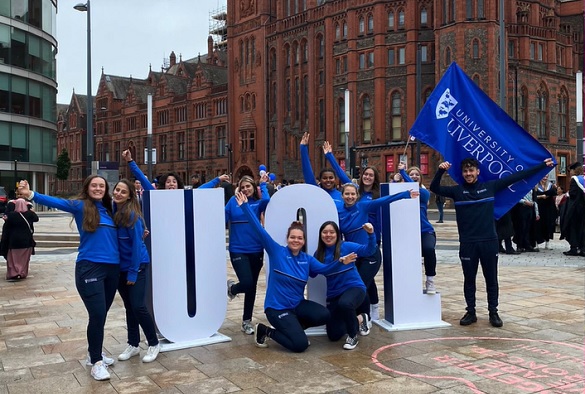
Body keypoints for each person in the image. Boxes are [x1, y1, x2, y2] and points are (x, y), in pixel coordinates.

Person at [430, 157, 554, 328]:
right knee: (469, 279)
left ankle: (493, 312)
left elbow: (517, 176)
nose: (468, 174)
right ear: (462, 173)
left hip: (489, 241)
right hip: (468, 243)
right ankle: (471, 312)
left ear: (478, 171)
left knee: (491, 278)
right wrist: (440, 170)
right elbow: (434, 188)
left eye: (471, 170)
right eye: (465, 171)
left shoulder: (490, 187)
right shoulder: (457, 192)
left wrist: (541, 165)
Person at [18, 176, 120, 381]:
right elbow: (57, 202)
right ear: (87, 188)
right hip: (90, 268)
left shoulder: (110, 209)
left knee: (102, 314)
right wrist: (31, 194)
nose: (98, 188)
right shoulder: (81, 206)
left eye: (102, 186)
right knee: (97, 314)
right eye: (94, 185)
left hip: (113, 269)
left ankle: (94, 354)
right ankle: (96, 363)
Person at [236, 192, 332, 353]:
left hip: (297, 306)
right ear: (287, 238)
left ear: (304, 241)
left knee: (324, 315)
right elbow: (260, 231)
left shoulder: (307, 259)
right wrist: (245, 207)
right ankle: (265, 331)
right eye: (293, 237)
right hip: (276, 309)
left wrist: (342, 262)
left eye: (300, 238)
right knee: (300, 345)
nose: (296, 240)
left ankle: (293, 329)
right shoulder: (276, 251)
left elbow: (325, 270)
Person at [336, 183, 419, 333]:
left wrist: (405, 194)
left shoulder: (363, 206)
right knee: (363, 285)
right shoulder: (338, 211)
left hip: (370, 253)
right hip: (354, 255)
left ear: (357, 195)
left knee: (360, 286)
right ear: (342, 196)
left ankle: (365, 318)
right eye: (347, 194)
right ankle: (366, 313)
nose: (350, 197)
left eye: (353, 194)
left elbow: (384, 200)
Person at [322, 142, 383, 319]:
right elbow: (341, 175)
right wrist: (329, 156)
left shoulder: (377, 194)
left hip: (370, 239)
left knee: (364, 280)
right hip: (353, 246)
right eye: (366, 175)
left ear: (375, 178)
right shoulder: (355, 192)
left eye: (371, 175)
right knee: (363, 281)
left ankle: (369, 312)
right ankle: (369, 310)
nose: (368, 177)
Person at [112, 179, 160, 364]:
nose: (118, 194)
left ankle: (154, 343)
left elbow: (136, 247)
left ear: (130, 196)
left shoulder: (132, 215)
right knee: (129, 307)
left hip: (137, 265)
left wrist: (132, 272)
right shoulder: (114, 211)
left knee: (138, 306)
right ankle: (133, 344)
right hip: (120, 268)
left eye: (123, 192)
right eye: (117, 190)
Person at [313, 221, 377, 350]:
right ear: (320, 235)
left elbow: (369, 250)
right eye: (325, 232)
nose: (328, 235)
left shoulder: (346, 246)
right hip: (333, 295)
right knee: (333, 335)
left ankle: (352, 337)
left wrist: (370, 234)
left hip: (354, 288)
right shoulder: (319, 254)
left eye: (332, 232)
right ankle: (360, 318)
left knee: (345, 303)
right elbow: (314, 273)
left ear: (337, 234)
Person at [226, 174, 270, 335]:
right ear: (239, 188)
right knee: (246, 282)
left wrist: (263, 185)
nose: (245, 189)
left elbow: (267, 201)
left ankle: (246, 321)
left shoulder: (258, 203)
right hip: (238, 249)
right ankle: (233, 288)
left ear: (253, 187)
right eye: (242, 187)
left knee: (252, 287)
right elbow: (222, 218)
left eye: (248, 186)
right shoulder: (233, 202)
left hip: (256, 249)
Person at [398, 162, 438, 294]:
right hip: (407, 233)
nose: (414, 176)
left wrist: (403, 172)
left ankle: (430, 280)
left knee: (428, 249)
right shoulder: (401, 192)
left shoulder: (424, 192)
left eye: (417, 174)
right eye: (411, 174)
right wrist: (396, 179)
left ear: (420, 178)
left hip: (425, 231)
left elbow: (415, 189)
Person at [0, 198, 38, 280]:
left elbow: (6, 221)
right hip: (26, 241)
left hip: (14, 241)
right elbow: (36, 219)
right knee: (24, 259)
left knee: (13, 259)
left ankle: (13, 273)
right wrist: (32, 211)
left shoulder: (11, 215)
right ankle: (22, 272)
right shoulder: (30, 214)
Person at [300, 132, 342, 202]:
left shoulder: (343, 196)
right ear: (320, 180)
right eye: (325, 178)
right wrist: (303, 148)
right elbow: (308, 173)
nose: (328, 180)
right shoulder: (316, 192)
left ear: (335, 179)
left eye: (331, 178)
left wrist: (330, 156)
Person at [561, 162, 585, 256]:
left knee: (573, 227)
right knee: (582, 228)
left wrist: (567, 194)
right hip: (583, 207)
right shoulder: (583, 179)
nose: (570, 172)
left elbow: (573, 194)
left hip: (575, 208)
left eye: (570, 170)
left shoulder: (574, 179)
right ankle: (583, 248)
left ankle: (574, 248)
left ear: (574, 170)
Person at [534, 175, 557, 250]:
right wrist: (541, 197)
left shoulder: (550, 185)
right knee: (537, 225)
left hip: (548, 208)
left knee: (548, 224)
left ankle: (547, 242)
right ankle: (536, 243)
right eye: (543, 176)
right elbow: (533, 197)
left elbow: (554, 194)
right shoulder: (535, 186)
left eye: (546, 177)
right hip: (539, 208)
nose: (545, 178)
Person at [514, 188, 540, 253]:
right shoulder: (521, 186)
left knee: (528, 228)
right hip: (522, 207)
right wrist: (524, 201)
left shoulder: (532, 187)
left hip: (530, 209)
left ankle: (527, 245)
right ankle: (519, 246)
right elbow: (516, 198)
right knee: (521, 228)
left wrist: (537, 213)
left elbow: (535, 200)